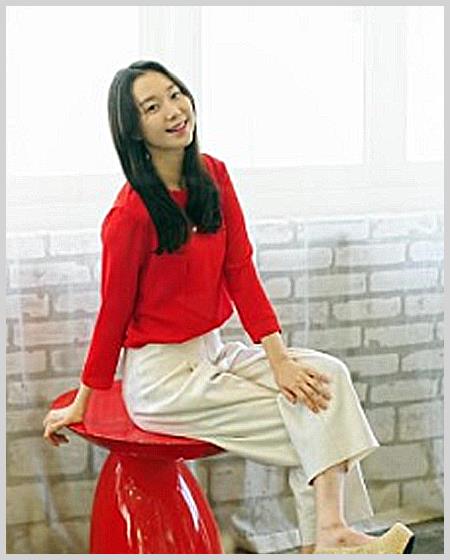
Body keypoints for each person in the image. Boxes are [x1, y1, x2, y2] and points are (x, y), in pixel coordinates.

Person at [43, 60, 415, 554]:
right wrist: (83, 403)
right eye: (152, 107)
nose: (174, 111)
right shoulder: (130, 215)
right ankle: (329, 539)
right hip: (165, 380)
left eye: (175, 94)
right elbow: (112, 315)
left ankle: (330, 533)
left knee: (328, 377)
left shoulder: (213, 175)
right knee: (316, 421)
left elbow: (240, 270)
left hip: (216, 353)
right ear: (133, 130)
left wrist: (280, 361)